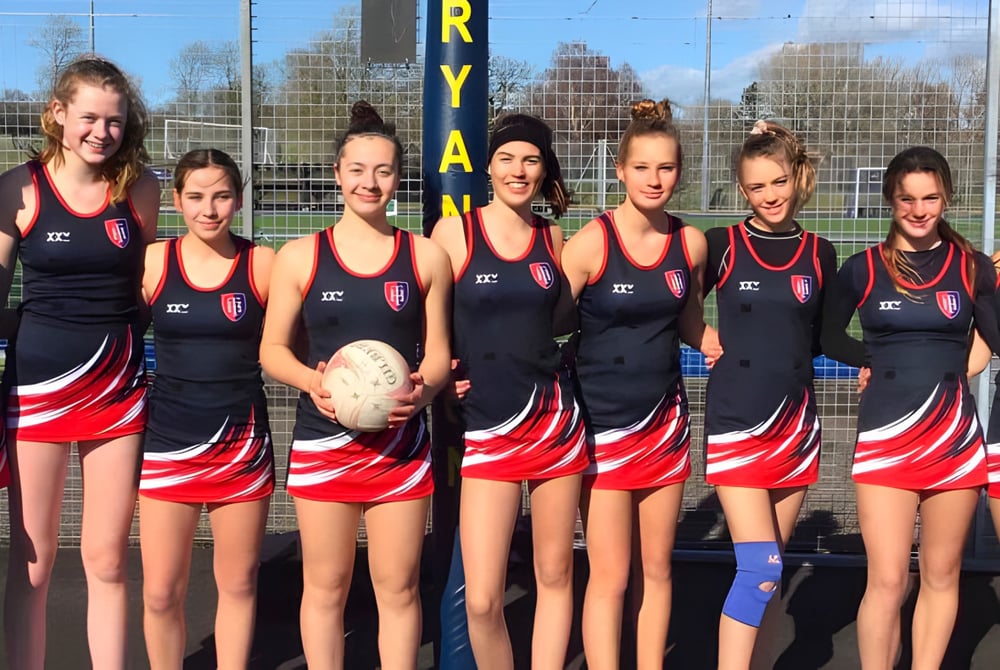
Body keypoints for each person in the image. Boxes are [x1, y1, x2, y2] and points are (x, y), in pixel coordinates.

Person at [259, 101, 452, 669]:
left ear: (398, 178)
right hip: (324, 445)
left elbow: (439, 354)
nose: (370, 182)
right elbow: (272, 351)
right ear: (338, 173)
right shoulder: (300, 257)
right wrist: (313, 383)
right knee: (325, 588)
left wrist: (423, 391)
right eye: (358, 170)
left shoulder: (425, 256)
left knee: (400, 588)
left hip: (400, 448)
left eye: (384, 171)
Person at [0, 55, 159, 670]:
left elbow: (146, 293)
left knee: (108, 559)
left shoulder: (139, 190)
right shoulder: (17, 189)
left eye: (114, 120)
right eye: (89, 117)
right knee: (33, 564)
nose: (102, 131)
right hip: (37, 393)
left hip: (116, 391)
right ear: (58, 114)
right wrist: (37, 334)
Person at [702, 120, 864, 670]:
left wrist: (877, 360)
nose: (769, 195)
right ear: (742, 189)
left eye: (778, 181)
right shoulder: (721, 244)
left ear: (796, 178)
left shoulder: (821, 252)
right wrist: (699, 335)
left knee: (770, 575)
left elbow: (826, 339)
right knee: (762, 570)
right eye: (756, 186)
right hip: (736, 420)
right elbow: (670, 306)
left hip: (795, 426)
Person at [561, 98, 714, 669]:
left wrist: (719, 344)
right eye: (643, 167)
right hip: (601, 428)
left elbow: (691, 322)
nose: (655, 179)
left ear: (679, 172)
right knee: (611, 573)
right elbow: (546, 326)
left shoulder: (690, 243)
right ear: (620, 170)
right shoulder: (591, 242)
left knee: (656, 566)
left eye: (666, 168)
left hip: (664, 425)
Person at [834, 146, 1000, 670]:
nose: (919, 210)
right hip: (885, 441)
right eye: (907, 198)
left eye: (930, 198)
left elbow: (995, 339)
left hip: (953, 440)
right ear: (890, 200)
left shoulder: (972, 267)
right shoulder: (861, 268)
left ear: (946, 198)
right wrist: (870, 361)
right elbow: (826, 336)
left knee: (941, 575)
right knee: (886, 580)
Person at [431, 113, 586, 670]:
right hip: (488, 429)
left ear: (545, 170)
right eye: (507, 159)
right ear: (489, 167)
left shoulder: (554, 237)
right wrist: (441, 374)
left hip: (555, 425)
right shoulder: (453, 234)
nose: (519, 171)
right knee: (481, 600)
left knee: (555, 574)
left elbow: (563, 323)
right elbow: (429, 325)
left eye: (531, 160)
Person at [138, 149, 274, 669]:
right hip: (169, 444)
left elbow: (303, 343)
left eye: (221, 196)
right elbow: (112, 327)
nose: (209, 209)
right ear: (176, 201)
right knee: (159, 593)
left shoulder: (262, 264)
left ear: (238, 200)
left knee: (237, 583)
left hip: (241, 446)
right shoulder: (155, 261)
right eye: (195, 197)